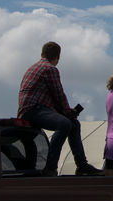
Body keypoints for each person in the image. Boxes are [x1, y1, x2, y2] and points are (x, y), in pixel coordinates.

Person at [18, 41, 102, 176]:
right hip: (34, 110)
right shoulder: (49, 69)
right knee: (64, 124)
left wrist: (66, 113)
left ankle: (82, 165)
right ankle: (51, 167)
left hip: (28, 111)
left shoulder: (32, 68)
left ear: (42, 53)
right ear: (58, 56)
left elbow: (51, 98)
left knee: (73, 124)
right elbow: (58, 94)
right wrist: (68, 112)